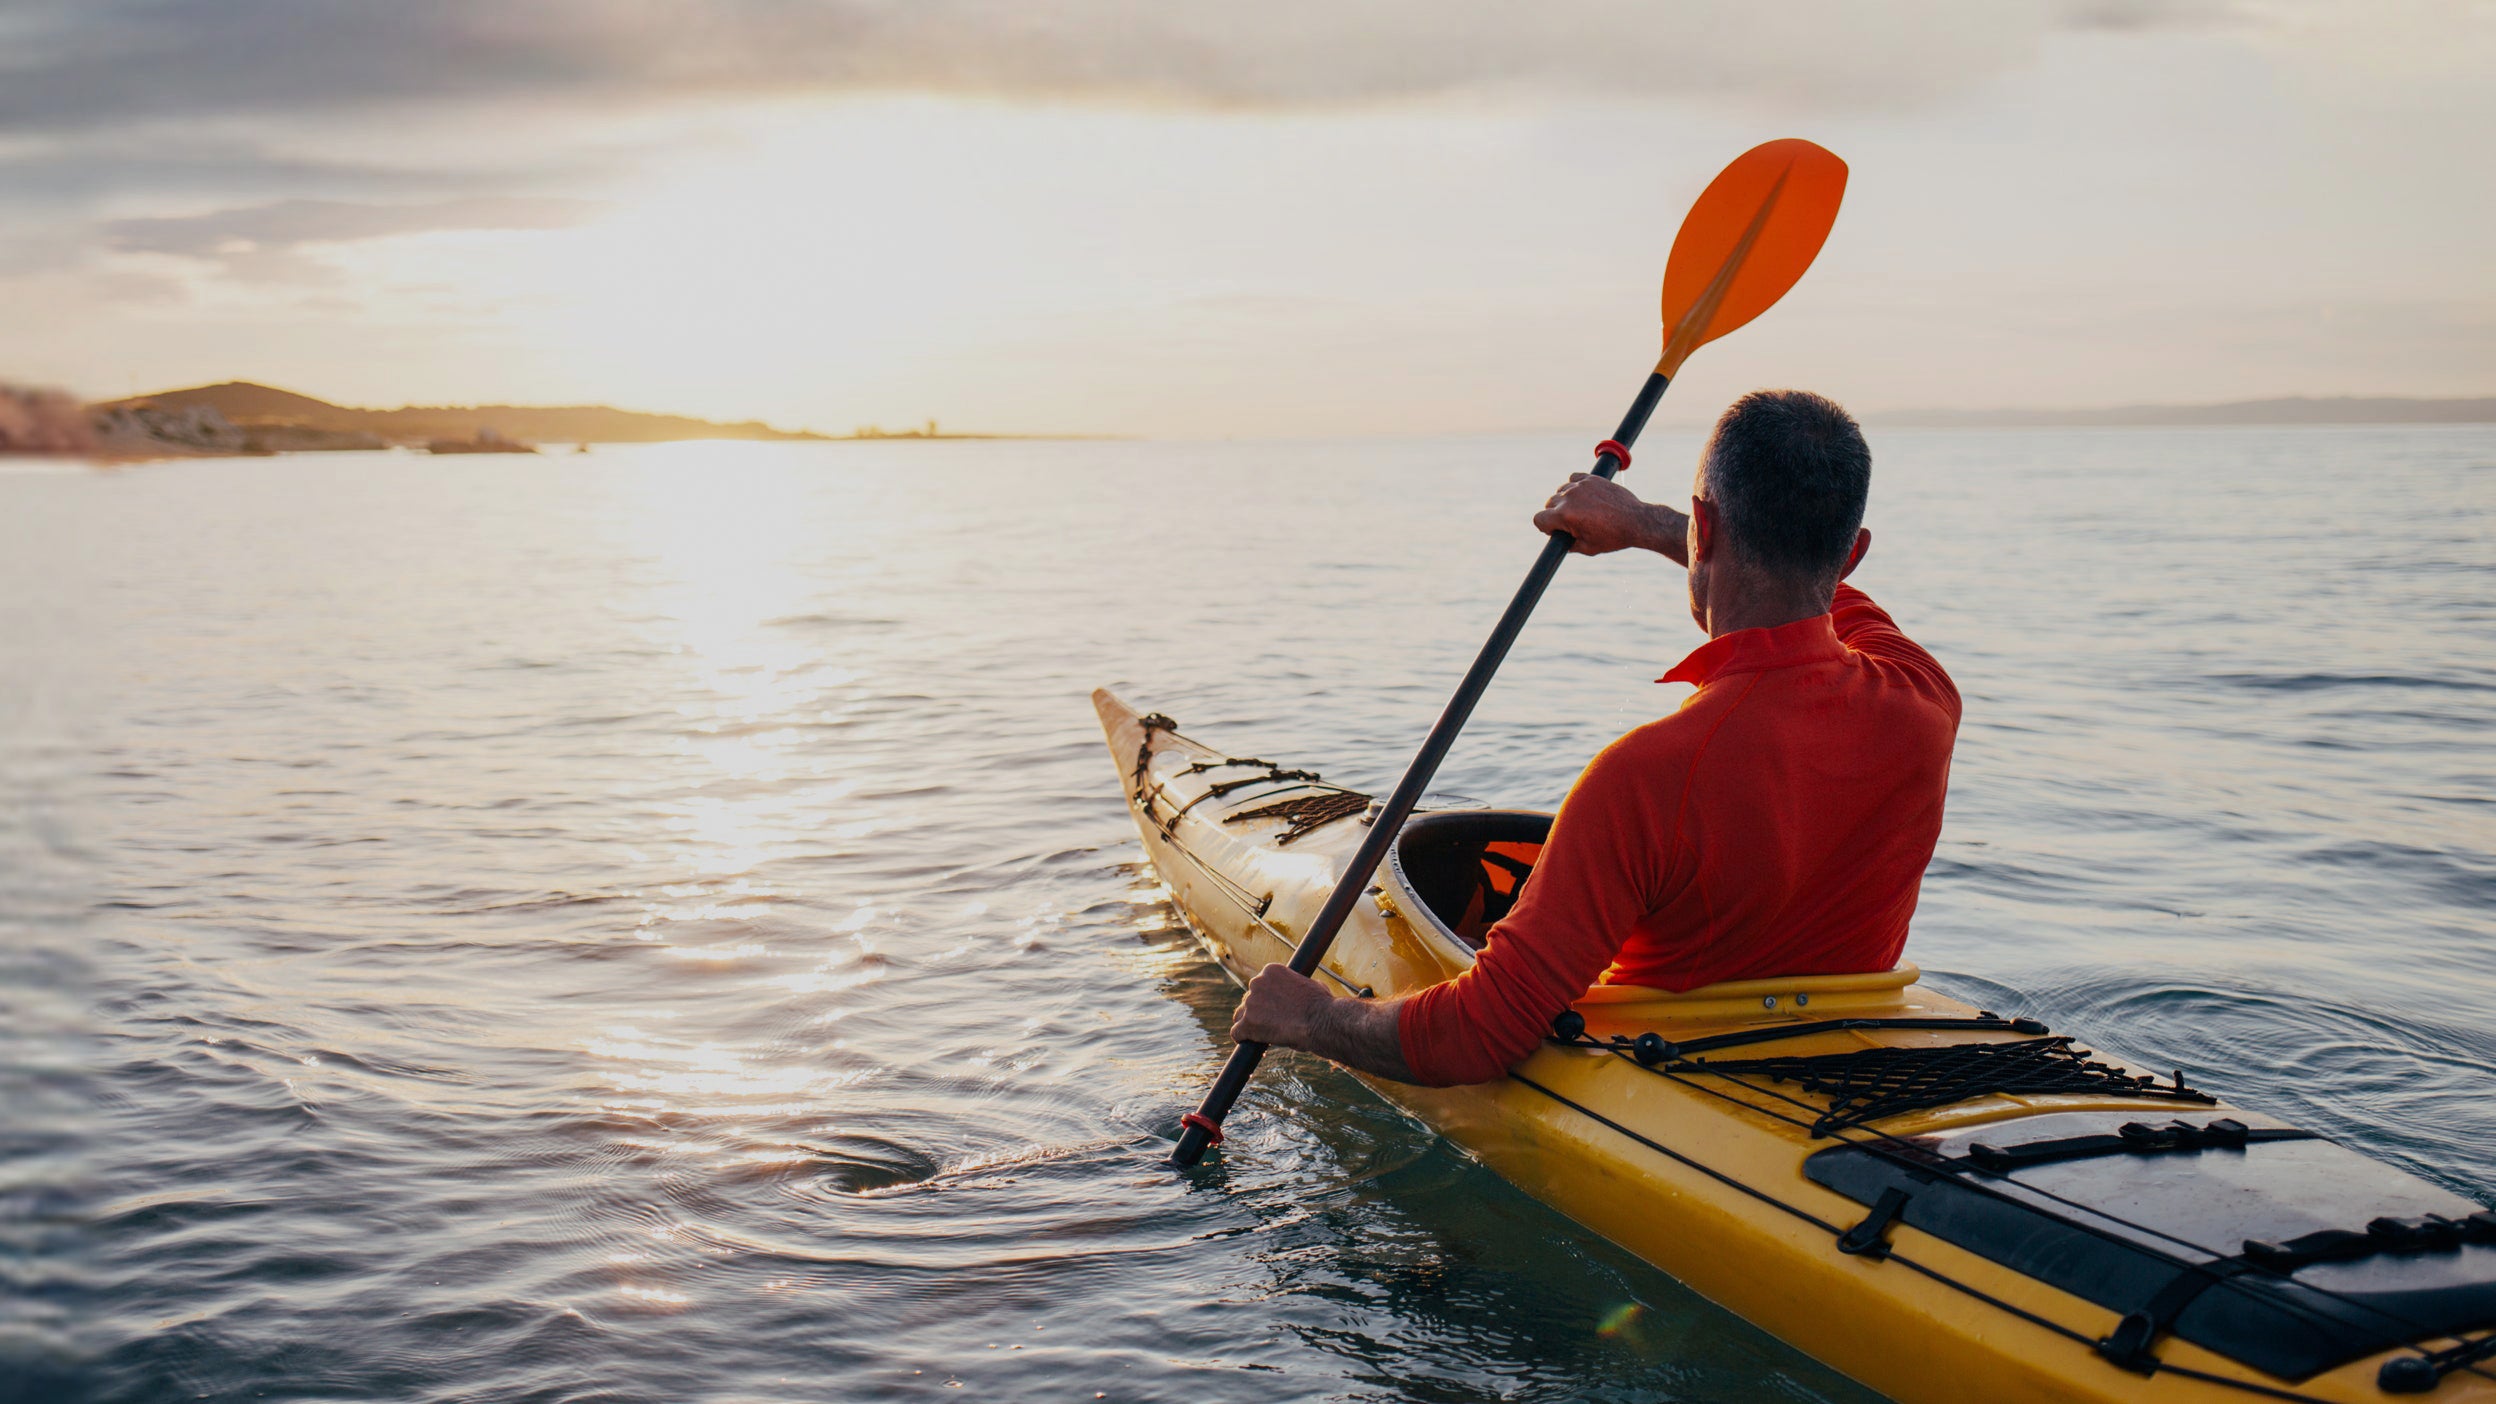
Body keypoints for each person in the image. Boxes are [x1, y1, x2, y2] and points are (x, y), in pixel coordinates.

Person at [1230, 389, 1960, 1087]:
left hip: (1675, 1082)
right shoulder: (1924, 697)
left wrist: (1314, 1017)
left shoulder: (1646, 777)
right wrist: (1648, 524)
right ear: (1855, 552)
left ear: (1705, 525)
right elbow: (1839, 607)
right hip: (1844, 1061)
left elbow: (1481, 1034)